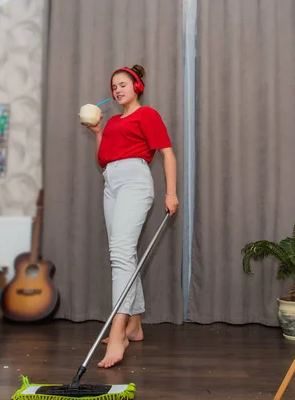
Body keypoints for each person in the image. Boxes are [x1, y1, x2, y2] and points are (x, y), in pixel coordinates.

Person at [80, 64, 179, 368]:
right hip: (111, 183)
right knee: (124, 255)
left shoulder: (147, 115)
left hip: (135, 181)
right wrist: (98, 132)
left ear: (136, 86)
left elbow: (167, 153)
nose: (117, 90)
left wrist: (171, 192)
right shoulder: (110, 123)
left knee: (120, 255)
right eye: (113, 87)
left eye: (123, 84)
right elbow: (103, 158)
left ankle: (118, 331)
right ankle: (135, 325)